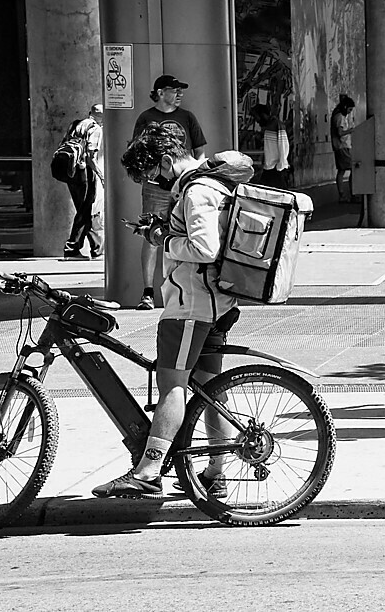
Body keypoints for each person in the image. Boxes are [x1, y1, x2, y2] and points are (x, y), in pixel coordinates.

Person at [92, 122, 253, 499]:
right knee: (210, 387)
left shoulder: (196, 191)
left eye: (152, 174)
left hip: (191, 306)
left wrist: (162, 239)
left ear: (167, 160)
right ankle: (216, 472)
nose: (154, 182)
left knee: (172, 386)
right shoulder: (207, 185)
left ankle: (148, 471)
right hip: (213, 302)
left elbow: (204, 249)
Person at [131, 74, 207, 310]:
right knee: (152, 234)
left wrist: (194, 176)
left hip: (181, 183)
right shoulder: (147, 118)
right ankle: (148, 292)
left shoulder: (187, 117)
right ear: (160, 92)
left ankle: (177, 288)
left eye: (179, 90)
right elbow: (138, 153)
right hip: (155, 188)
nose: (179, 94)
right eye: (174, 90)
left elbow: (200, 150)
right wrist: (150, 178)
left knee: (181, 233)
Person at [63, 104, 105, 260]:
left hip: (70, 171)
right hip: (84, 172)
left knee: (84, 210)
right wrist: (101, 175)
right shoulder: (96, 130)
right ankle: (72, 249)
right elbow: (90, 157)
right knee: (86, 209)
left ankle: (97, 248)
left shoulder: (75, 124)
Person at [252, 103, 290, 189]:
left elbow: (284, 146)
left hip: (276, 168)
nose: (257, 121)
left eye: (257, 117)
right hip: (269, 167)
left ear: (262, 115)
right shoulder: (268, 126)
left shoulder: (277, 125)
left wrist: (281, 164)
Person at [331, 94, 356, 203]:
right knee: (353, 169)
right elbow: (340, 132)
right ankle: (351, 193)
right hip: (343, 146)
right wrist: (350, 131)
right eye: (350, 109)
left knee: (342, 171)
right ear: (345, 107)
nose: (350, 112)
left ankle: (342, 194)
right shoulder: (340, 117)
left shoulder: (337, 115)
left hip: (340, 146)